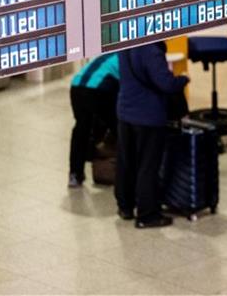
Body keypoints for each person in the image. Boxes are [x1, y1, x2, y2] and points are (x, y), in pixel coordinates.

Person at [115, 41, 189, 228]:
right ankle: (147, 215)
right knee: (148, 166)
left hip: (125, 112)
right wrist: (183, 79)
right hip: (147, 115)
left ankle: (125, 207)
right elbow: (165, 83)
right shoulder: (150, 48)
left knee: (127, 163)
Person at [68, 53, 120, 188]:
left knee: (81, 129)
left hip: (76, 86)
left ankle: (75, 174)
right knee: (120, 129)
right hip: (99, 90)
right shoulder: (127, 58)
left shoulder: (108, 54)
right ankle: (126, 172)